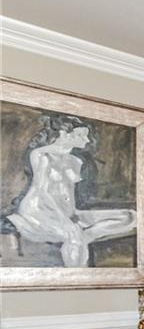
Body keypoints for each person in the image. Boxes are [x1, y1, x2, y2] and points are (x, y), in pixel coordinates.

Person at [7, 114, 136, 267]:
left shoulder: (76, 161)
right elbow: (42, 192)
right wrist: (65, 221)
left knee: (130, 216)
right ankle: (78, 272)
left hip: (67, 212)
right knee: (73, 236)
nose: (87, 140)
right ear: (63, 134)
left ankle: (86, 235)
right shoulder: (41, 155)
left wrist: (73, 216)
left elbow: (69, 193)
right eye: (81, 135)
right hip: (39, 211)